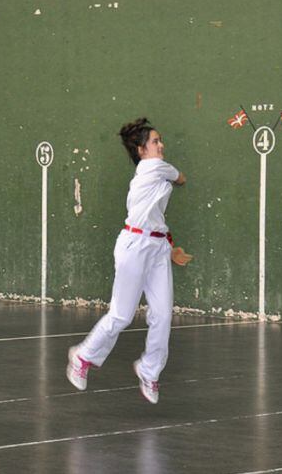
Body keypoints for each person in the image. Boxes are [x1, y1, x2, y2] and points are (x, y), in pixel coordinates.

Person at [66, 118, 192, 404]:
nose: (162, 145)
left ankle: (149, 371)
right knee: (122, 314)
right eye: (156, 142)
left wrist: (169, 249)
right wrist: (175, 177)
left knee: (162, 314)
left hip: (158, 246)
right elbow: (181, 178)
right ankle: (83, 355)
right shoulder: (155, 167)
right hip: (134, 246)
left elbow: (155, 219)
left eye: (161, 141)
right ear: (141, 150)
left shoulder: (153, 171)